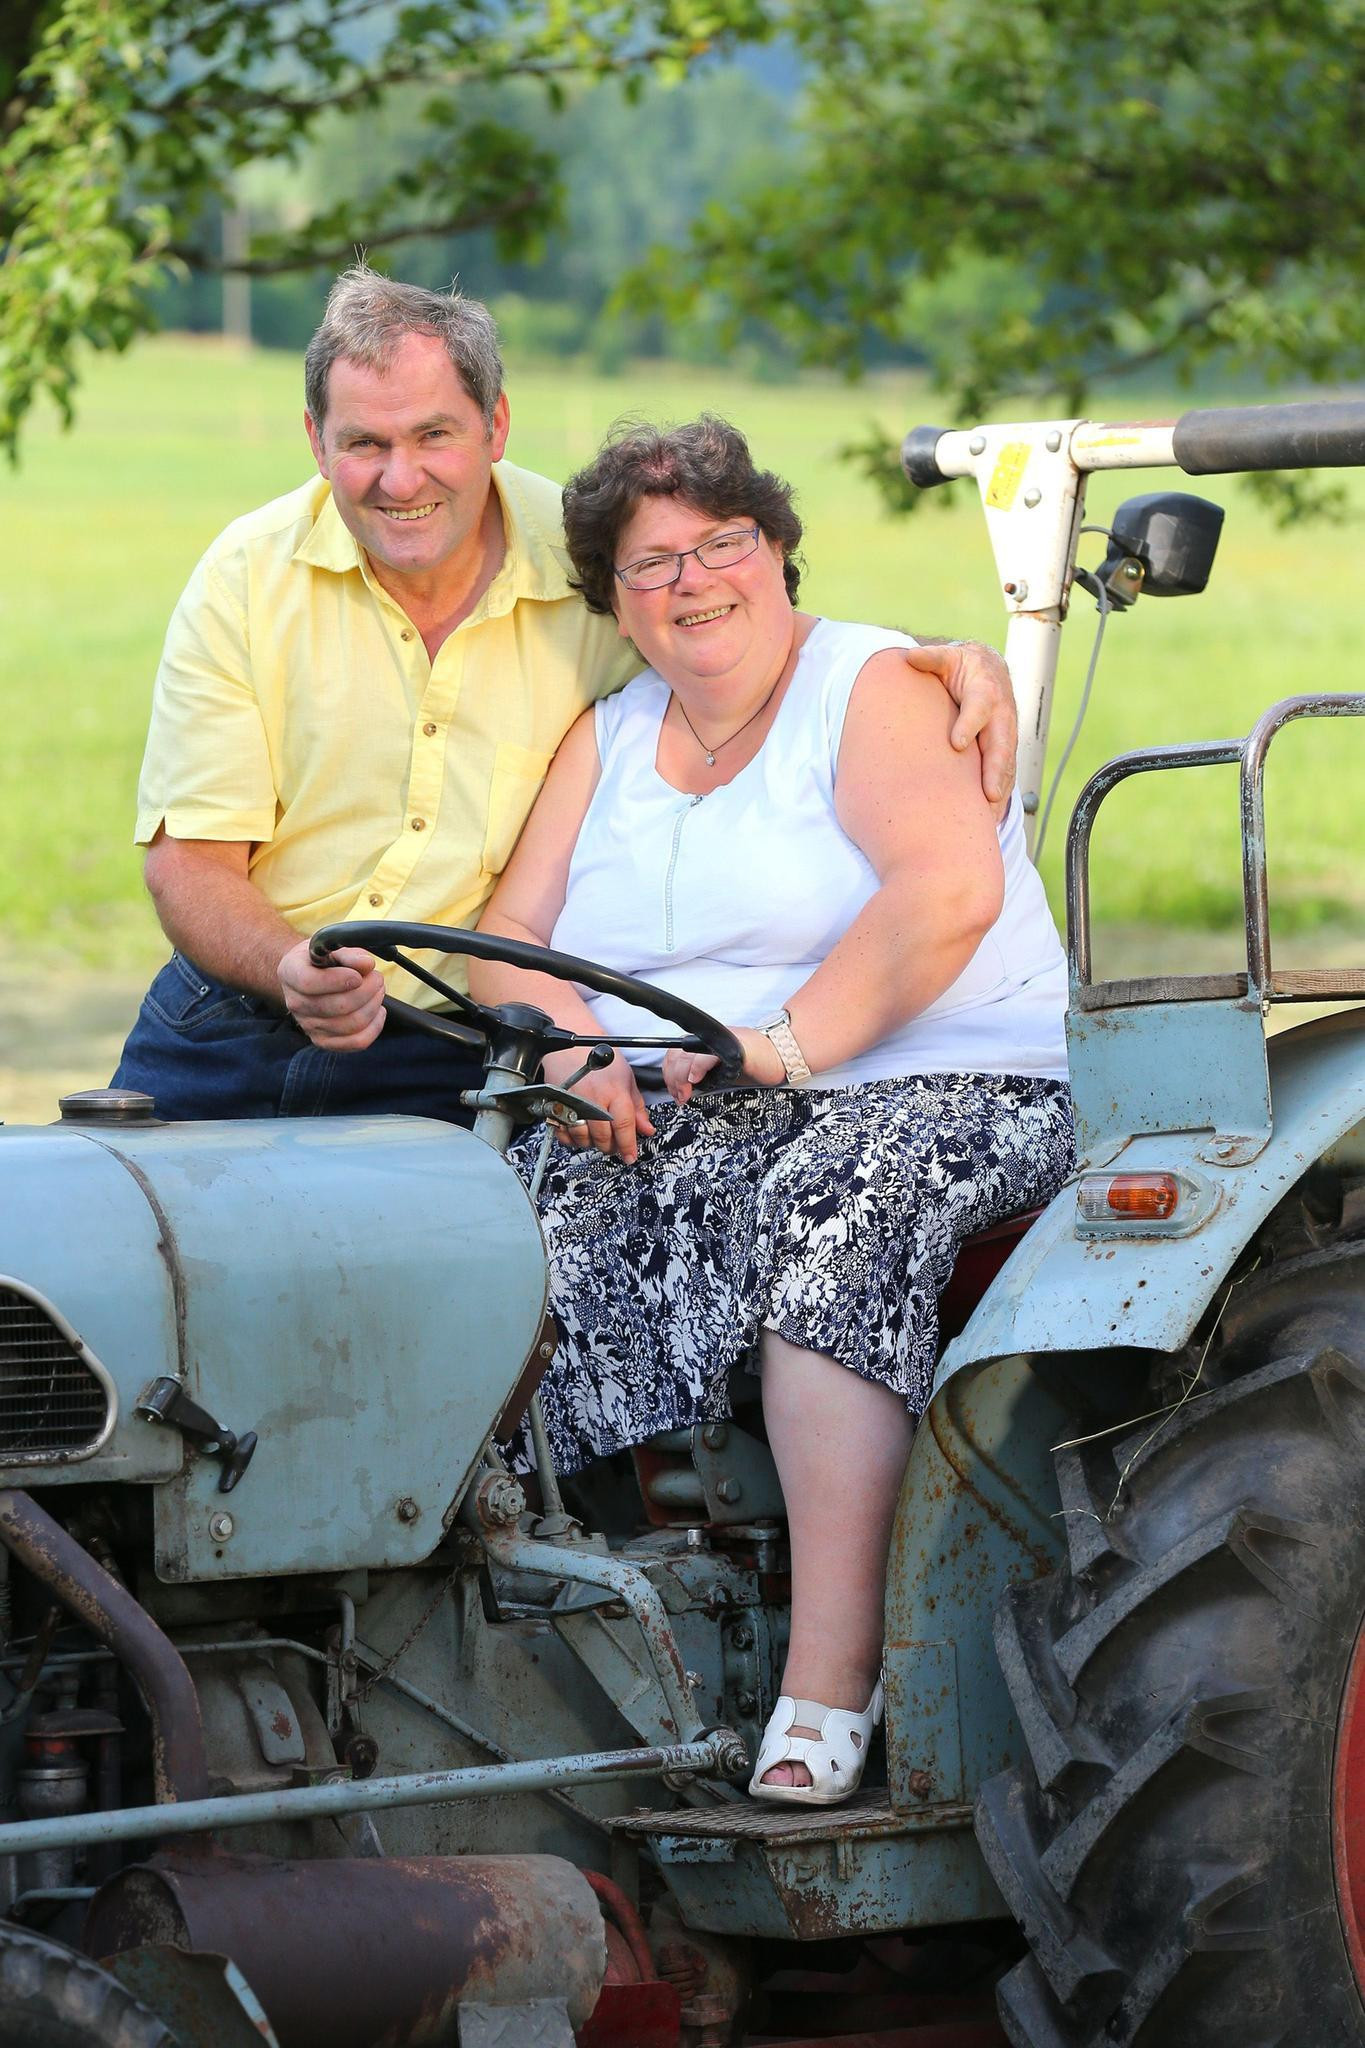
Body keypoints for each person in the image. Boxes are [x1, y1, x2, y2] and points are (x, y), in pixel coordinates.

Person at [467, 416, 1074, 1807]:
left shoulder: (872, 687)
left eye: (720, 543)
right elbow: (508, 936)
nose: (690, 582)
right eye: (648, 563)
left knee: (836, 1205)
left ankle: (831, 1669)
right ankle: (606, 1624)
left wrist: (785, 1043)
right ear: (615, 600)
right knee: (519, 1213)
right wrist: (566, 1050)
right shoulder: (610, 737)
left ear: (779, 549)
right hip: (715, 1097)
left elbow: (946, 895)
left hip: (957, 1080)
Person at [112, 267, 1019, 1121]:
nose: (401, 478)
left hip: (457, 1040)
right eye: (364, 444)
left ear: (494, 427)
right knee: (74, 1250)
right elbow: (189, 863)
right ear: (316, 442)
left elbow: (735, 623)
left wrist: (933, 658)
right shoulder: (245, 576)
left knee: (435, 1277)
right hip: (232, 1007)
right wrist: (284, 966)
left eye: (434, 435)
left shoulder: (592, 560)